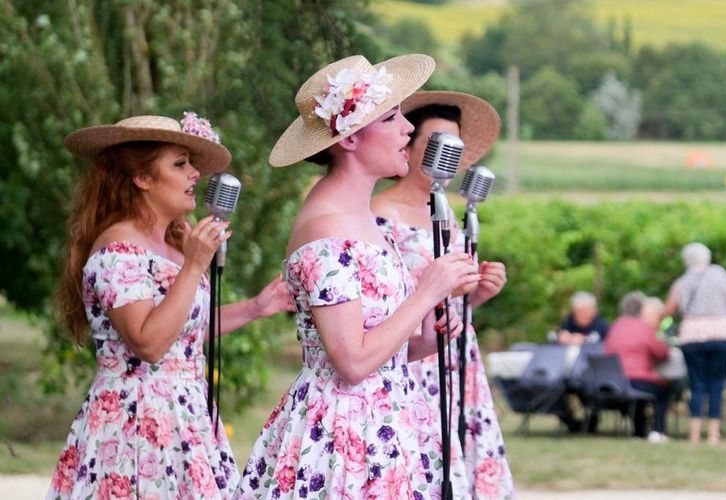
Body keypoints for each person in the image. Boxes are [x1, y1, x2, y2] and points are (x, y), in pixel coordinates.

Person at [235, 55, 480, 499]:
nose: (408, 129)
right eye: (391, 118)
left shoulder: (359, 217)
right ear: (348, 139)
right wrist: (425, 293)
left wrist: (428, 339)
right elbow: (350, 364)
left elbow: (379, 354)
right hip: (345, 438)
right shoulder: (326, 226)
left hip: (386, 424)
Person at [47, 113, 294, 499]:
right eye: (180, 164)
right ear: (142, 178)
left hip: (187, 415)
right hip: (136, 423)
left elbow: (182, 333)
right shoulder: (119, 249)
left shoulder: (174, 244)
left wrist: (256, 307)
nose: (195, 173)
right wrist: (196, 265)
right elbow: (149, 342)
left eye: (191, 163)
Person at [371, 91, 514, 499]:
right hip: (415, 360)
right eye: (435, 144)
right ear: (409, 146)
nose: (445, 155)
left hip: (456, 356)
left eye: (454, 146)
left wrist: (478, 293)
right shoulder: (381, 213)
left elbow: (452, 301)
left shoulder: (450, 214)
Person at [663, 242, 726, 444]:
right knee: (717, 383)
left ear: (686, 261)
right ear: (707, 258)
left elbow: (669, 309)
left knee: (696, 383)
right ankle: (713, 434)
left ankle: (694, 433)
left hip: (692, 336)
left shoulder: (682, 281)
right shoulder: (719, 274)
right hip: (723, 334)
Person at [605, 292, 671, 441]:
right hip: (637, 379)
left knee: (638, 397)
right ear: (641, 309)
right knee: (663, 390)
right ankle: (658, 431)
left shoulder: (615, 326)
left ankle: (639, 431)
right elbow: (661, 353)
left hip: (615, 381)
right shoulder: (643, 328)